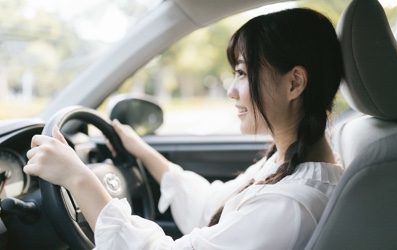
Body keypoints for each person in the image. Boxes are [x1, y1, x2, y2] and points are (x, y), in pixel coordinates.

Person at [24, 8, 344, 250]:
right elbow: (211, 205)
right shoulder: (288, 164)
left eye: (243, 73)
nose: (232, 90)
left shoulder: (290, 206)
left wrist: (79, 179)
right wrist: (144, 151)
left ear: (295, 83)